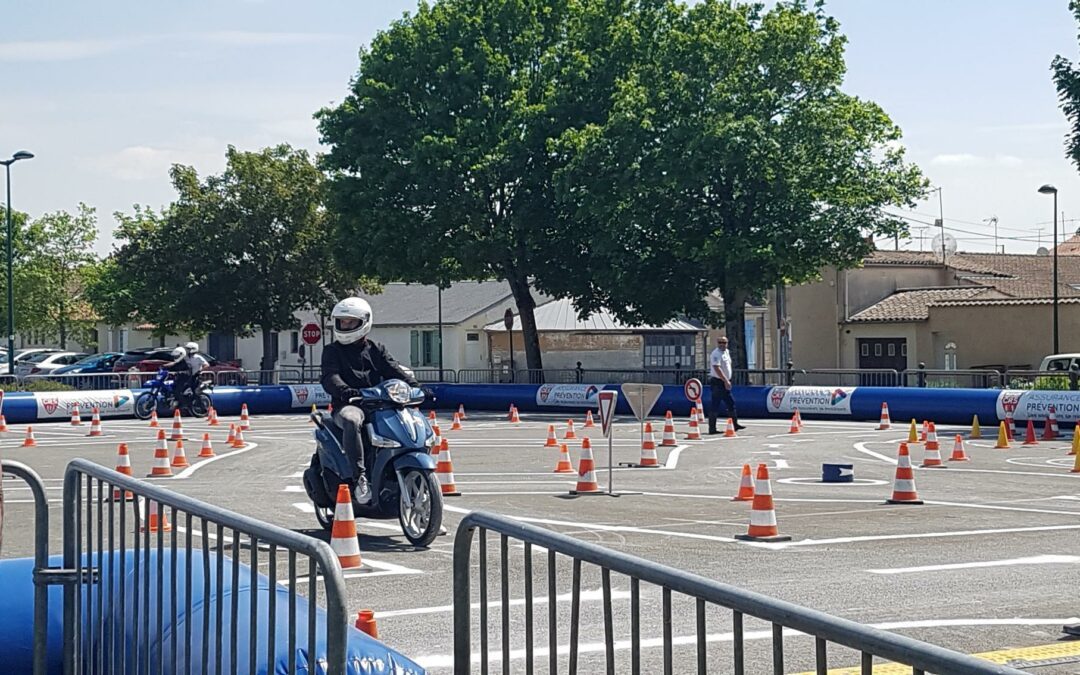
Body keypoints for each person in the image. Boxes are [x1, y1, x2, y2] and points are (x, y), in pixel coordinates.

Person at [321, 296, 422, 505]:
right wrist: (345, 391)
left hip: (380, 405)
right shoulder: (332, 351)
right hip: (349, 404)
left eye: (351, 322)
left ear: (364, 322)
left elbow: (393, 369)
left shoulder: (376, 349)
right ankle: (360, 478)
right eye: (343, 322)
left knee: (408, 419)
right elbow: (329, 376)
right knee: (351, 420)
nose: (346, 325)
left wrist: (415, 387)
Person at [708, 335, 744, 434]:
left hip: (725, 381)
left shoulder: (726, 352)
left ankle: (734, 424)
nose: (722, 345)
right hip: (718, 382)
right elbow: (717, 368)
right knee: (715, 404)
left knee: (731, 403)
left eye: (724, 343)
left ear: (727, 344)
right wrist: (725, 380)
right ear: (717, 343)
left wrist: (727, 380)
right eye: (720, 342)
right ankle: (712, 428)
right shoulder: (716, 354)